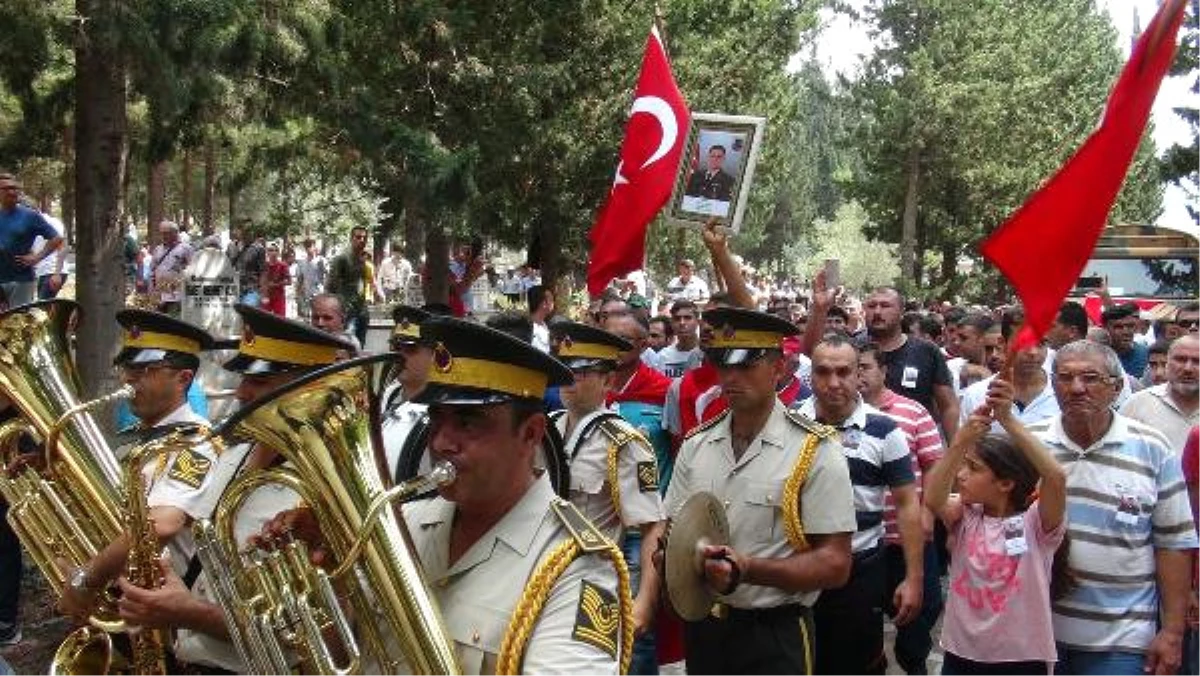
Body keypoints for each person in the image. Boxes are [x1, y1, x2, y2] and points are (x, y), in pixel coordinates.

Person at [393, 316, 630, 670]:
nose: (441, 442)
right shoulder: (403, 524)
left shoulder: (577, 567)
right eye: (436, 420)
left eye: (468, 423)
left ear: (531, 434)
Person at [662, 307, 855, 675]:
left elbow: (835, 563)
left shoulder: (814, 449)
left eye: (745, 365)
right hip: (705, 630)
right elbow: (674, 533)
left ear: (779, 368)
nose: (730, 377)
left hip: (774, 632)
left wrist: (749, 569)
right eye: (721, 363)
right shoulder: (696, 444)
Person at [1028, 340, 1197, 674]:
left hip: (1122, 638)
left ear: (1116, 387)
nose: (1076, 388)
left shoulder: (1152, 447)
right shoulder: (1028, 443)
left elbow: (1173, 544)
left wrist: (1173, 631)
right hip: (1035, 632)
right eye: (1065, 378)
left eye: (1090, 378)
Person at [58, 310, 219, 628]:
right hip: (127, 602)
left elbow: (162, 523)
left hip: (166, 617)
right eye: (127, 367)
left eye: (144, 369)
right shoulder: (135, 439)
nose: (128, 378)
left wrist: (87, 580)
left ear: (183, 378)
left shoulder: (196, 442)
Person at [795, 336, 922, 676]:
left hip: (860, 572)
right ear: (811, 377)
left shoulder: (885, 430)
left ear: (858, 375)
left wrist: (914, 578)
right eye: (822, 372)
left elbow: (909, 504)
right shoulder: (788, 424)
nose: (833, 382)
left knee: (857, 665)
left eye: (843, 371)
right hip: (795, 568)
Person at [925, 377, 1068, 675]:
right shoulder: (965, 515)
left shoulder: (1036, 525)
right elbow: (933, 496)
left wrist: (1008, 420)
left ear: (1006, 483)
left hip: (1020, 658)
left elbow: (1055, 477)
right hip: (961, 653)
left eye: (973, 469)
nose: (961, 476)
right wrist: (961, 441)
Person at [550, 321, 666, 676]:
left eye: (583, 371)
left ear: (608, 380)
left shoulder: (624, 443)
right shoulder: (546, 429)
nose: (571, 379)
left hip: (594, 581)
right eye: (565, 368)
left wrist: (645, 599)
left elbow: (652, 526)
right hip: (542, 576)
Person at [858, 341, 945, 676]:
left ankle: (914, 664)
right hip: (864, 546)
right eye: (855, 368)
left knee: (921, 611)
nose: (859, 376)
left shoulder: (914, 412)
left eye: (865, 367)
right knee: (863, 620)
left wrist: (927, 516)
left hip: (908, 539)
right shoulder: (834, 415)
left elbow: (936, 467)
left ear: (884, 371)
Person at [379, 304, 434, 482]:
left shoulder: (441, 408)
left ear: (435, 355)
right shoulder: (387, 394)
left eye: (410, 349)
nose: (399, 355)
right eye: (396, 347)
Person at [959, 333, 1058, 432]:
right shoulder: (975, 395)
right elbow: (964, 445)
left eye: (1042, 343)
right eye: (1023, 342)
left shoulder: (1063, 392)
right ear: (1002, 343)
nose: (1033, 352)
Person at [1120, 333, 1200, 452]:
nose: (1188, 368)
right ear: (1167, 362)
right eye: (1180, 360)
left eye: (1197, 361)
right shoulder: (1137, 404)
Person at [0, 174, 63, 308]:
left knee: (18, 322)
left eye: (15, 188)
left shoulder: (29, 215)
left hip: (21, 281)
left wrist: (37, 257)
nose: (12, 191)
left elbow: (56, 238)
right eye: (6, 188)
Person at [325, 226, 373, 346]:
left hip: (361, 311)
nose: (362, 240)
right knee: (347, 346)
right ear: (351, 239)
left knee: (360, 347)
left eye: (364, 238)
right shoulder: (342, 259)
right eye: (358, 237)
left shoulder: (363, 259)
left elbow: (362, 284)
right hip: (347, 312)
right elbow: (330, 286)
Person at [149, 221, 193, 316]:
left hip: (176, 295)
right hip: (159, 295)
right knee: (159, 320)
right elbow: (152, 269)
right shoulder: (157, 249)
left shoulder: (186, 249)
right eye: (161, 233)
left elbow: (193, 270)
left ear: (175, 233)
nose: (163, 236)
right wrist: (151, 289)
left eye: (166, 233)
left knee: (174, 320)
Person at [658, 300, 704, 378]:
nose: (682, 323)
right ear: (672, 323)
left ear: (698, 322)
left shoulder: (706, 354)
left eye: (687, 318)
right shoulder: (662, 356)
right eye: (677, 319)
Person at [1103, 303, 1150, 379]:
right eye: (1118, 327)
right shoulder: (1097, 356)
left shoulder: (1146, 354)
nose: (1126, 332)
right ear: (1106, 329)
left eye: (1130, 326)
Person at [226, 223, 264, 306]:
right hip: (234, 290)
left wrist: (263, 293)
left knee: (247, 311)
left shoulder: (258, 248)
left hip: (251, 290)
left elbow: (263, 272)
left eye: (250, 231)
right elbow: (227, 266)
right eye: (244, 230)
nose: (248, 233)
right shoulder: (231, 246)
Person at [32, 213, 67, 300]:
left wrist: (57, 274)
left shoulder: (51, 222)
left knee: (43, 303)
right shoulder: (29, 223)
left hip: (52, 270)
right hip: (41, 271)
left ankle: (67, 312)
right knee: (43, 305)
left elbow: (63, 247)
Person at [294, 238, 326, 319]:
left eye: (310, 246)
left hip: (319, 294)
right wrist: (297, 294)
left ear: (314, 246)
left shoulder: (321, 261)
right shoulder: (301, 263)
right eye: (306, 246)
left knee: (318, 317)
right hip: (306, 295)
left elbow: (327, 278)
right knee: (306, 318)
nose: (308, 248)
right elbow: (300, 280)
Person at [259, 242, 290, 316]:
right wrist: (262, 291)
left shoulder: (283, 265)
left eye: (276, 250)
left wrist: (276, 285)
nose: (273, 252)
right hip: (266, 296)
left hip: (279, 297)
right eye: (271, 250)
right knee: (264, 318)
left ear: (278, 253)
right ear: (267, 252)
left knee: (280, 320)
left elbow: (289, 281)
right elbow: (261, 279)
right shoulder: (264, 265)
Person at [527, 284, 554, 353]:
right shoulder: (531, 330)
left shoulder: (542, 323)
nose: (553, 303)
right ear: (544, 304)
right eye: (551, 300)